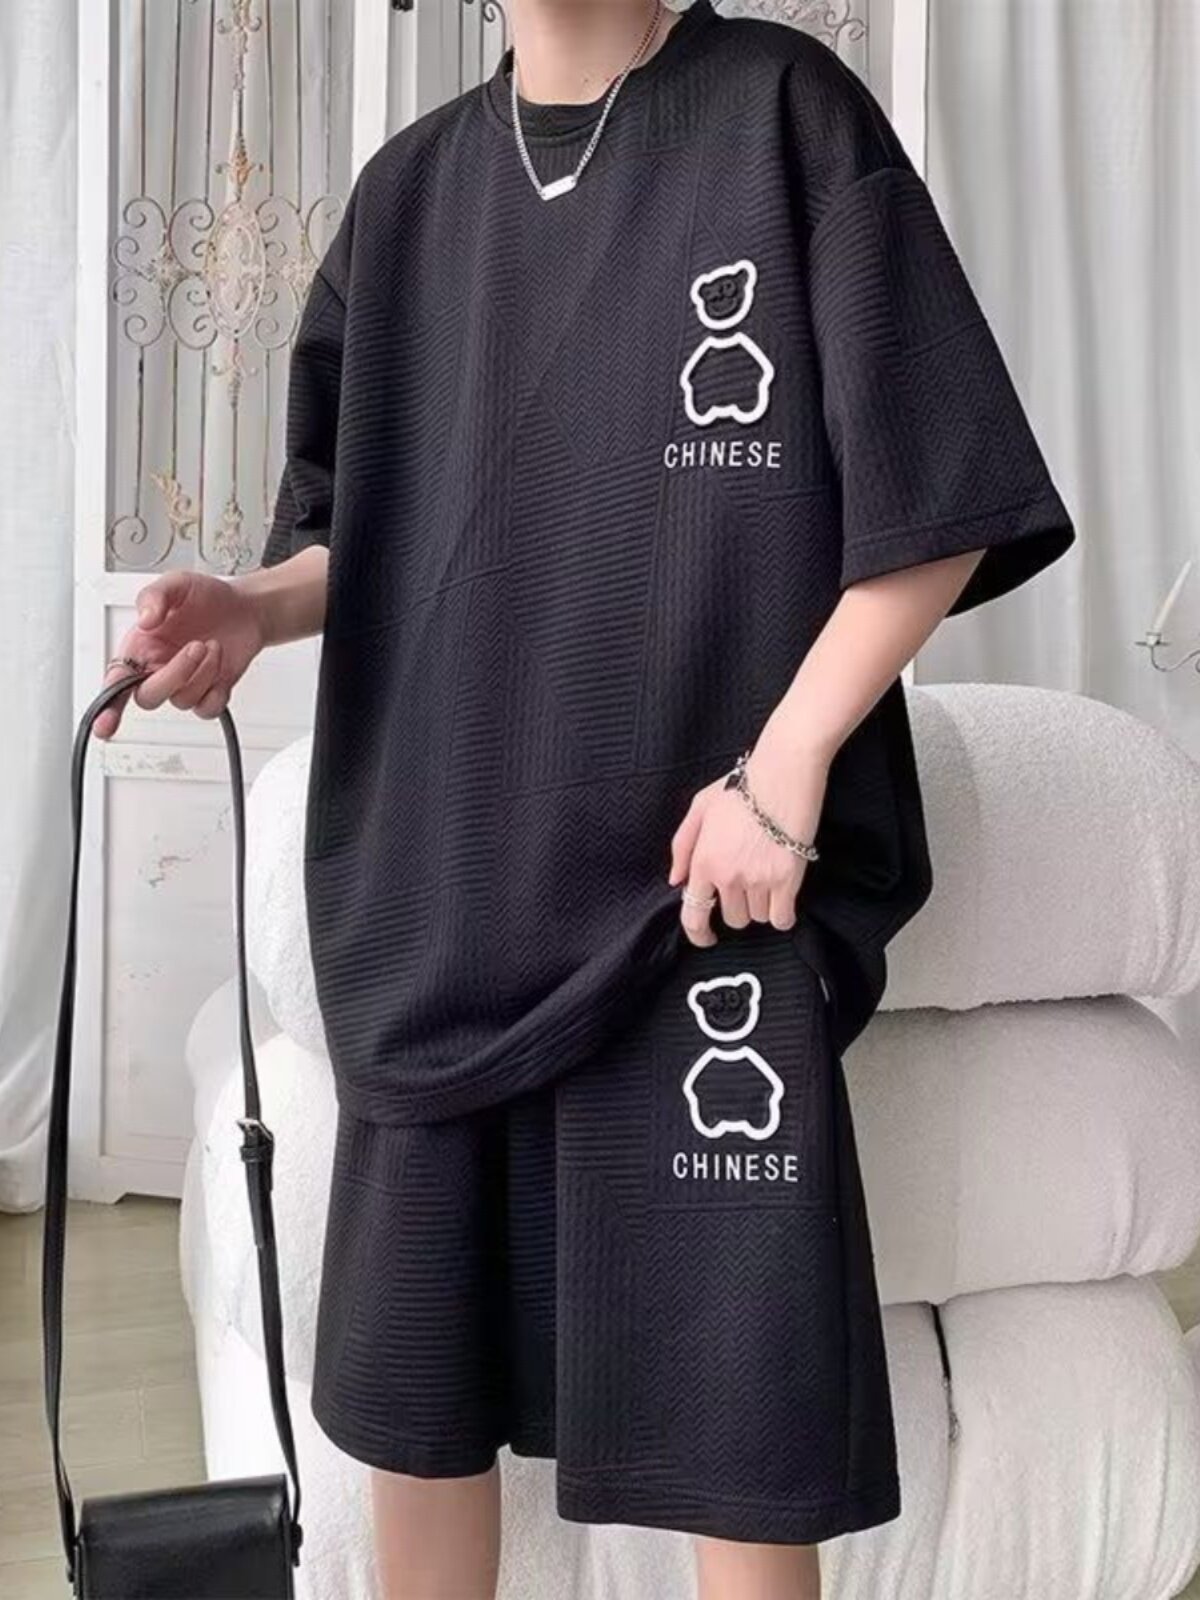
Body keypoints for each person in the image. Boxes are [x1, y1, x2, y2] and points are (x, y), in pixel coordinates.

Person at [98, 3, 1075, 1596]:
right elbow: (363, 523)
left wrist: (783, 769)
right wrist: (252, 609)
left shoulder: (784, 115)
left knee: (736, 1444)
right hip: (439, 894)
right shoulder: (408, 197)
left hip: (703, 899)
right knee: (420, 1420)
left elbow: (942, 489)